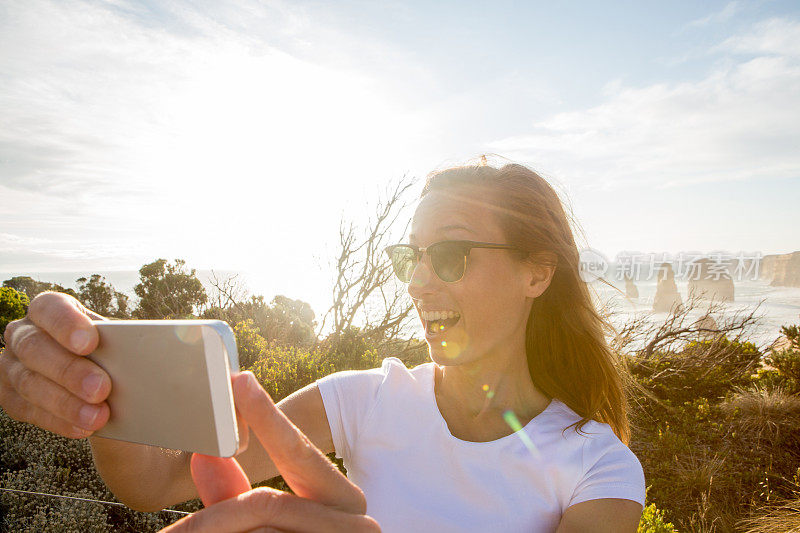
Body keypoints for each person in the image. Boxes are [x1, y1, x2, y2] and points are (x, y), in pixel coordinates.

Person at [0, 161, 646, 532]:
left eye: (448, 254)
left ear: (538, 271)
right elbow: (154, 480)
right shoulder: (363, 397)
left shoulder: (600, 468)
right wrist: (97, 380)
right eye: (410, 256)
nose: (419, 279)